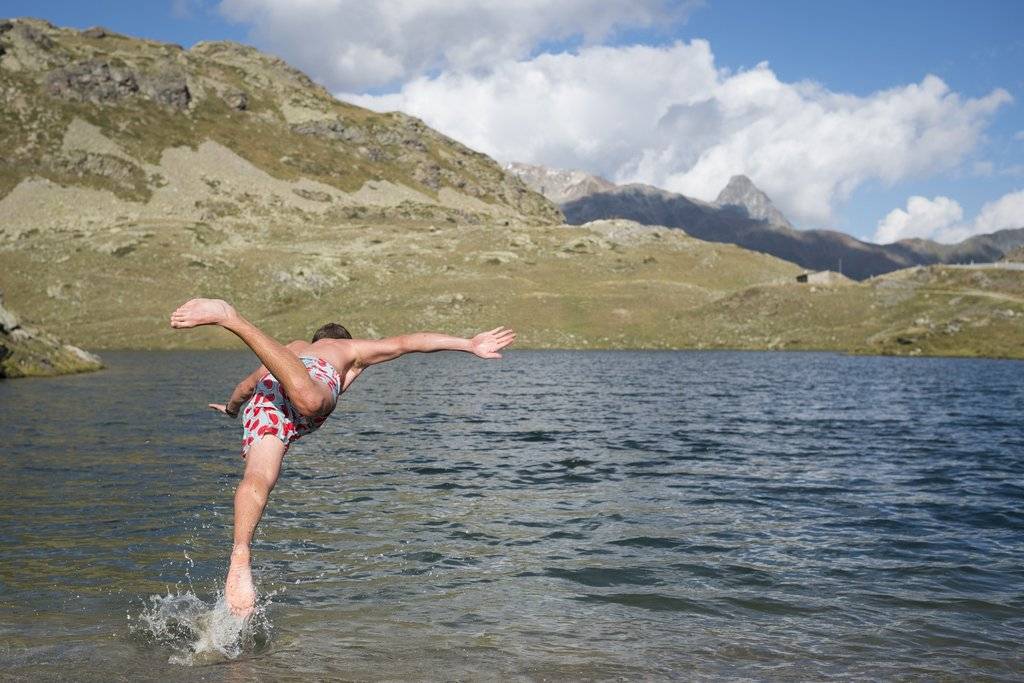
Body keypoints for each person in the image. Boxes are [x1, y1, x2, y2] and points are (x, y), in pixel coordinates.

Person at [169, 297, 516, 617]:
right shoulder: (348, 348)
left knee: (259, 477)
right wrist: (468, 344)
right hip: (305, 392)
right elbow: (409, 343)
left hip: (268, 395)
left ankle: (241, 551)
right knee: (310, 400)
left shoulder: (291, 349)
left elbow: (245, 388)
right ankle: (233, 319)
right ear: (340, 339)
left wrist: (231, 411)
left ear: (315, 338)